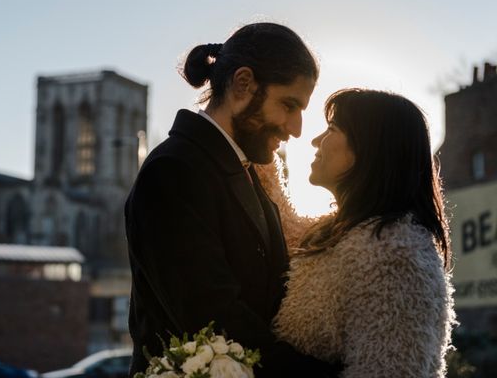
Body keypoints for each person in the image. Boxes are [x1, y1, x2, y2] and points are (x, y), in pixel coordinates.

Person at [125, 22, 339, 377]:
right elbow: (216, 323)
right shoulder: (173, 171)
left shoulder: (244, 172)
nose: (296, 129)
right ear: (243, 84)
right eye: (288, 104)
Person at [267, 88, 455, 378]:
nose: (316, 141)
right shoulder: (354, 233)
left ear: (369, 148)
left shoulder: (395, 254)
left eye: (331, 129)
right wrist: (259, 157)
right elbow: (288, 227)